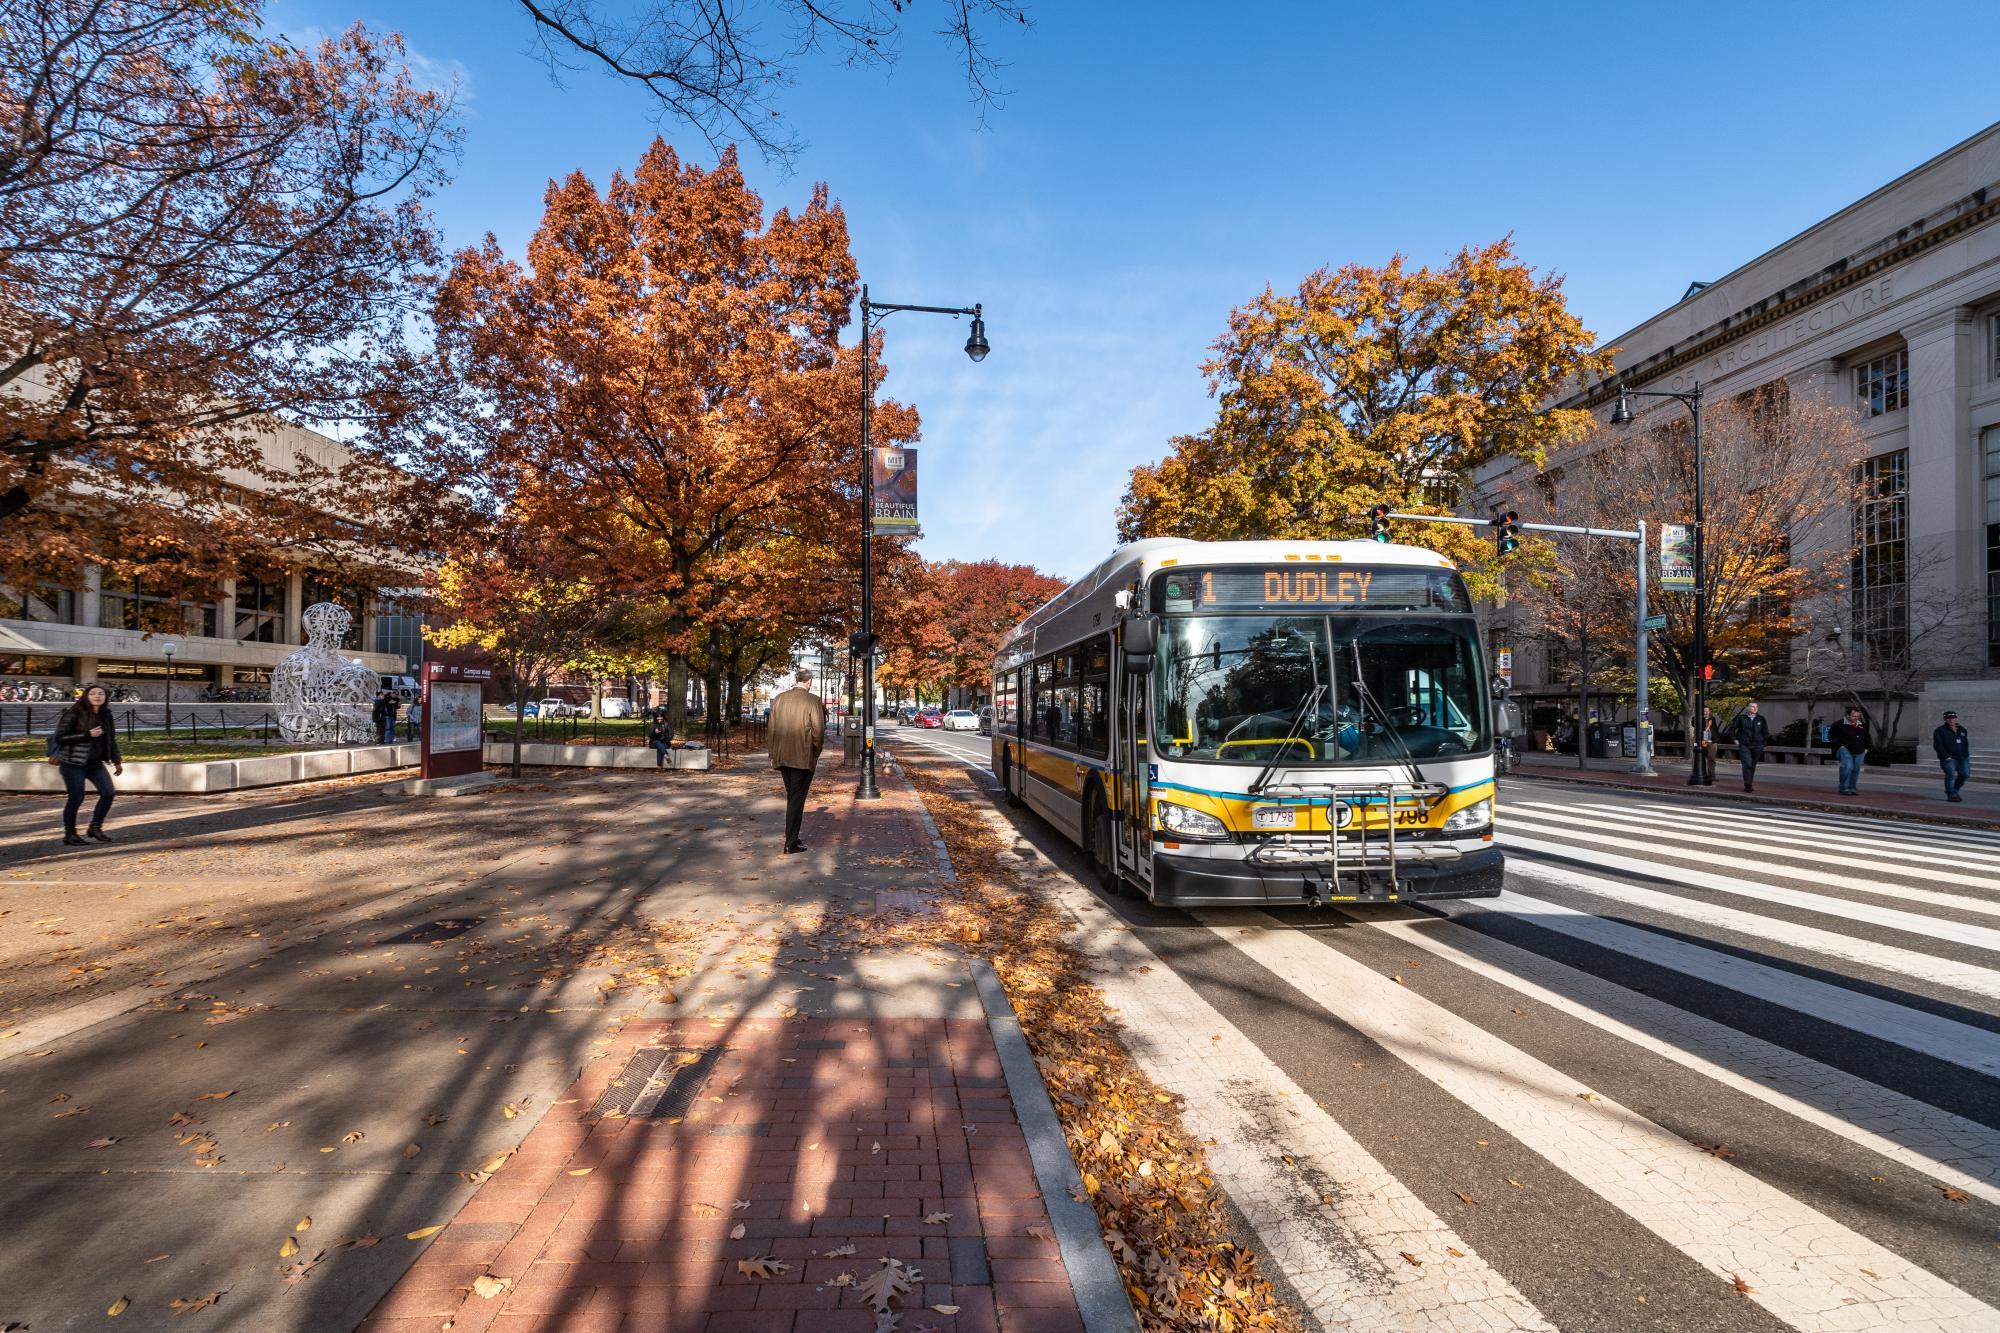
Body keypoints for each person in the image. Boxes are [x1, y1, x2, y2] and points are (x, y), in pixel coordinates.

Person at [53, 683, 123, 845]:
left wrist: (117, 760)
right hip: (72, 763)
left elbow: (111, 739)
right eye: (93, 694)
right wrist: (87, 734)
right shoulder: (74, 713)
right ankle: (70, 834)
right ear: (86, 696)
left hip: (95, 763)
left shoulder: (106, 715)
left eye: (101, 694)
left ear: (106, 697)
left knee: (108, 793)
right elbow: (60, 737)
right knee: (76, 798)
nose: (97, 696)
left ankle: (95, 827)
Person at [768, 668, 826, 855]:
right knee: (796, 799)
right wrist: (816, 752)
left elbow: (772, 729)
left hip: (782, 755)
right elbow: (818, 730)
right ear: (809, 682)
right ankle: (790, 843)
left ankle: (792, 837)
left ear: (797, 680)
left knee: (792, 796)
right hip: (802, 757)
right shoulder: (813, 700)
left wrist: (772, 754)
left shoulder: (779, 699)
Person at [1729, 701, 1770, 792]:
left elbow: (1765, 732)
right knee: (1747, 764)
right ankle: (1748, 785)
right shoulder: (1741, 718)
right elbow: (1731, 729)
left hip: (1757, 745)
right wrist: (1734, 740)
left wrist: (1763, 743)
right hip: (1744, 745)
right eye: (1752, 706)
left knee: (1752, 765)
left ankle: (1749, 783)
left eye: (1756, 707)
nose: (1755, 708)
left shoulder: (1761, 719)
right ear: (1748, 708)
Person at [1830, 706, 1870, 796]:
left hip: (1860, 751)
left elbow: (1867, 737)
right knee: (1847, 767)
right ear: (1847, 716)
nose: (1856, 718)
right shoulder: (1838, 724)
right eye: (1854, 716)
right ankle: (1844, 788)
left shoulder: (1862, 725)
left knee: (1855, 769)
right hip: (1845, 749)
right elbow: (1832, 737)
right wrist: (1841, 747)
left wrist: (1866, 748)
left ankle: (1852, 788)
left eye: (1858, 716)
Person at [1933, 710, 1972, 803]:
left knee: (1965, 774)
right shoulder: (1940, 730)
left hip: (1962, 758)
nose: (1951, 720)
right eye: (1948, 718)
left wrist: (1966, 754)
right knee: (1950, 775)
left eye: (1953, 717)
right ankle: (1951, 795)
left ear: (1956, 718)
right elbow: (1937, 745)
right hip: (1949, 758)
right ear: (1945, 719)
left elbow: (1965, 743)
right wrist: (1945, 756)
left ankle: (1954, 791)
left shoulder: (1962, 730)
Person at [1696, 708, 1718, 785]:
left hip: (1711, 741)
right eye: (1704, 711)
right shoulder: (1698, 719)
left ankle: (1711, 775)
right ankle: (1701, 773)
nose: (1705, 712)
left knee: (1712, 758)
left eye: (1707, 711)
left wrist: (1714, 739)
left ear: (1709, 712)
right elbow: (1693, 723)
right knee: (1700, 758)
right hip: (1702, 741)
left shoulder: (1712, 719)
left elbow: (1715, 729)